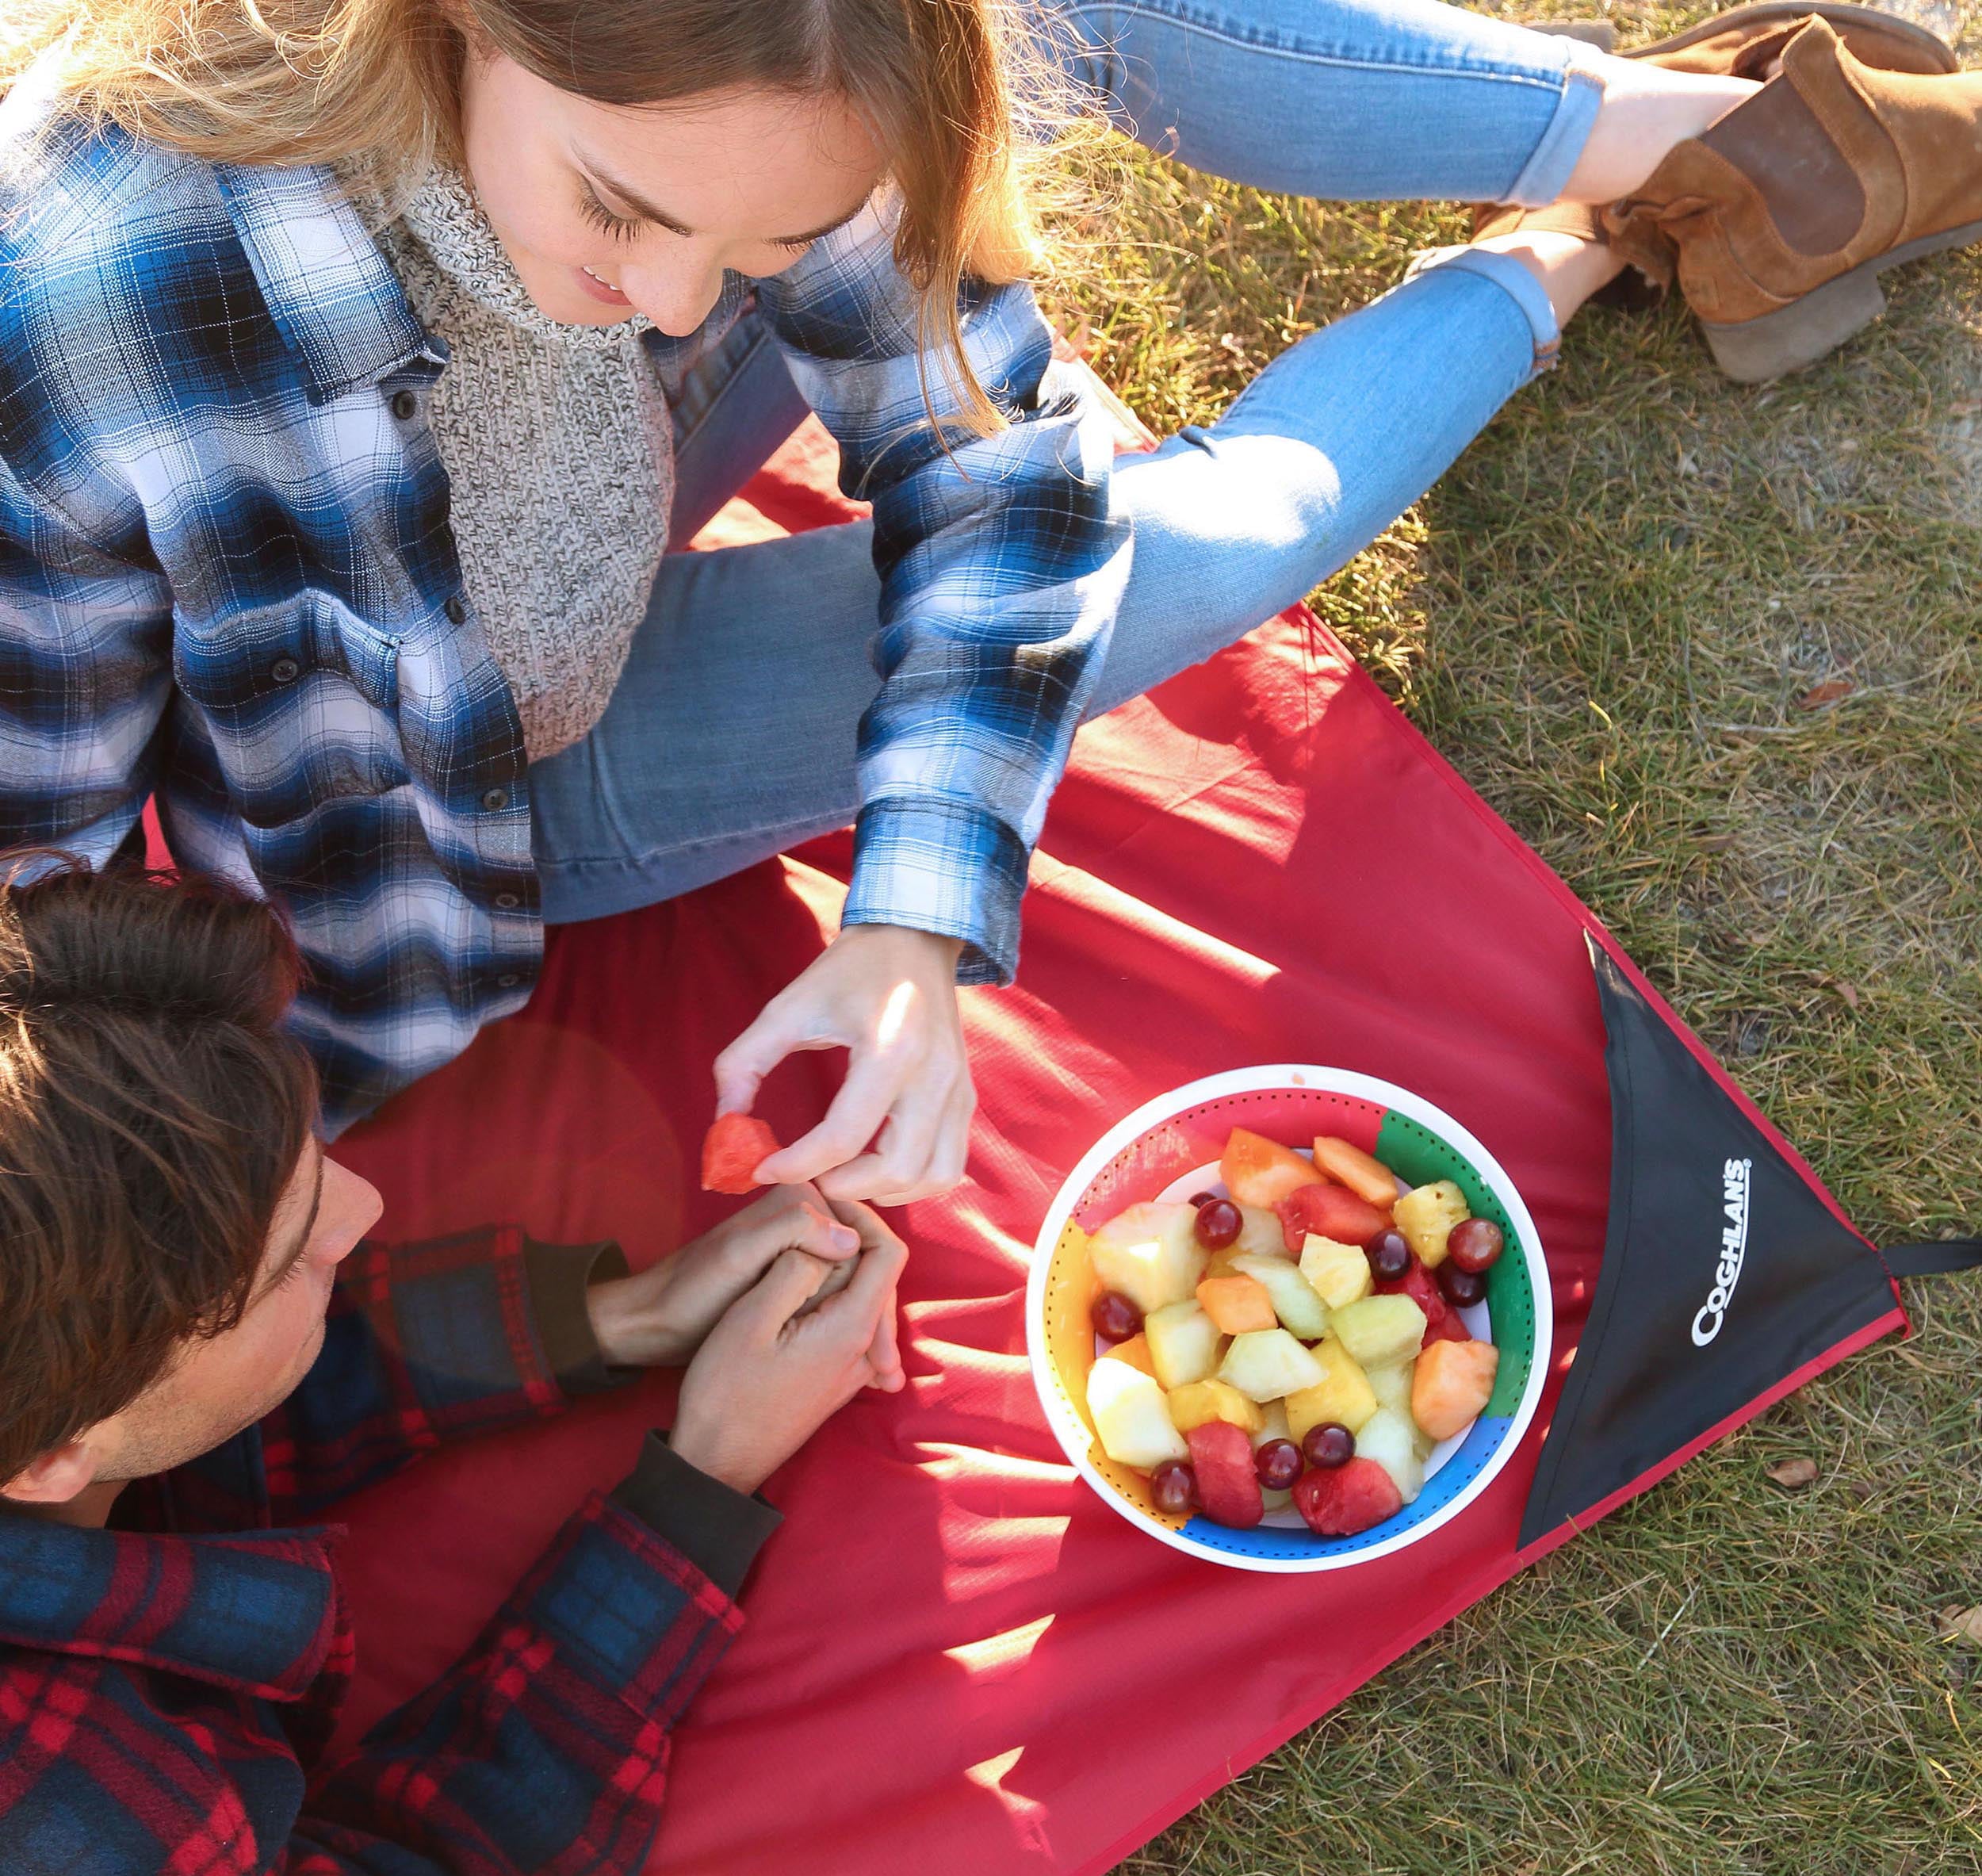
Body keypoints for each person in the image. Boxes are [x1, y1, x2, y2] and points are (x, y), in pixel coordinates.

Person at [0, 0, 1972, 1200]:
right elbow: (47, 921)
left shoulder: (738, 100)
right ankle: (1571, 251)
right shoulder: (102, 295)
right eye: (624, 208)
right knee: (1216, 546)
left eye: (762, 240)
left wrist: (918, 914)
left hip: (583, 494)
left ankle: (1706, 149)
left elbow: (993, 472)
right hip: (478, 781)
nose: (690, 306)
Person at [0, 858, 906, 1876]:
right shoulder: (64, 1873)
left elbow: (180, 1419)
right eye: (287, 1260)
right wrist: (700, 1487)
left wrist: (614, 1321)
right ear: (50, 1456)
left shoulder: (58, 1395)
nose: (367, 1206)